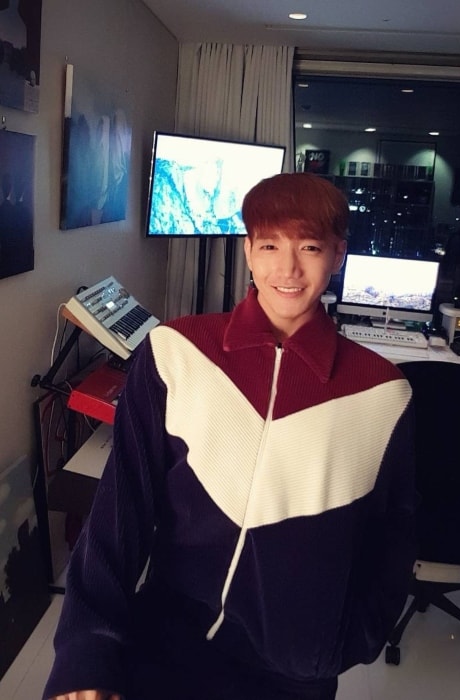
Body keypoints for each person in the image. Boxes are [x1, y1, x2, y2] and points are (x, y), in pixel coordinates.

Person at [43, 172, 417, 700]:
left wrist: (349, 640)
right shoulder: (176, 352)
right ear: (248, 251)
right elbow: (120, 508)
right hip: (164, 645)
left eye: (310, 247)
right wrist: (87, 648)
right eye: (270, 245)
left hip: (294, 674)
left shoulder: (382, 391)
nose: (288, 269)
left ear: (338, 254)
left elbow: (394, 535)